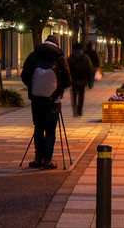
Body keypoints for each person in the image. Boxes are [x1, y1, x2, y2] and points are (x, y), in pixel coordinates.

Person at [21, 34, 72, 169]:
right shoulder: (59, 58)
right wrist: (58, 91)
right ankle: (47, 161)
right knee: (50, 131)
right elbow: (68, 80)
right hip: (53, 100)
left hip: (36, 99)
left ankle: (38, 158)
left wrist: (33, 88)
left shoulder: (33, 56)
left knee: (38, 129)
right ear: (57, 45)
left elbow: (24, 75)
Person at [67, 41, 94, 116]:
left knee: (74, 96)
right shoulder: (85, 57)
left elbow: (66, 69)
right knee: (81, 96)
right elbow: (90, 69)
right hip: (83, 80)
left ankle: (75, 111)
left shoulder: (71, 58)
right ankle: (80, 110)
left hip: (73, 81)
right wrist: (90, 80)